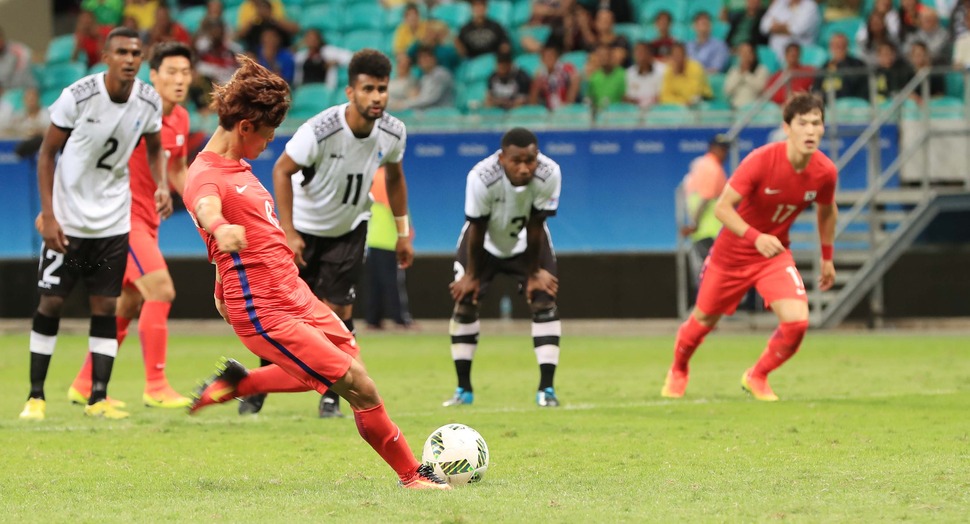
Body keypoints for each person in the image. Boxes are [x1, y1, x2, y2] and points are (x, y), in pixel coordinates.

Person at [182, 55, 448, 491]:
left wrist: (219, 278)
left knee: (346, 365)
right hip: (266, 309)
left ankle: (239, 383)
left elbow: (234, 237)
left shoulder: (240, 169)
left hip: (296, 294)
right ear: (245, 126)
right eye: (267, 135)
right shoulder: (205, 175)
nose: (269, 144)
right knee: (357, 384)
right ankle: (411, 475)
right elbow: (206, 207)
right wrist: (218, 227)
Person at [19, 27, 169, 421]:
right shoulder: (78, 96)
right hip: (67, 223)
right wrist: (50, 215)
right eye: (121, 51)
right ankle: (35, 396)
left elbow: (155, 148)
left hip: (112, 223)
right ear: (106, 56)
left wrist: (163, 185)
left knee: (105, 306)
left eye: (136, 52)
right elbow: (48, 154)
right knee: (51, 303)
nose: (130, 59)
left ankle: (98, 399)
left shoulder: (148, 101)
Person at [661, 92, 838, 402]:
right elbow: (722, 208)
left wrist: (827, 257)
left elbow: (827, 210)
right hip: (732, 255)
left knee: (797, 321)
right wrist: (756, 236)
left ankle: (757, 375)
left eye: (817, 123)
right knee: (703, 322)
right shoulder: (761, 160)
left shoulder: (825, 172)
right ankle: (678, 370)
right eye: (803, 123)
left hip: (774, 255)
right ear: (787, 127)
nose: (810, 130)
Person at [267, 48, 414, 418]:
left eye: (382, 88)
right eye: (368, 89)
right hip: (303, 228)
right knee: (283, 314)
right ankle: (260, 383)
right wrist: (288, 230)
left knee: (338, 311)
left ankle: (332, 394)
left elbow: (394, 178)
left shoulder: (393, 132)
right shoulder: (320, 130)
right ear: (350, 92)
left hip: (349, 228)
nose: (377, 96)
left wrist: (403, 232)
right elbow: (281, 171)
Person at [65, 41, 194, 410]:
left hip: (149, 221)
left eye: (185, 72)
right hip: (121, 220)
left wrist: (199, 206)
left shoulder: (181, 119)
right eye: (171, 72)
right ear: (153, 76)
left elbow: (177, 169)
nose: (180, 79)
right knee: (161, 289)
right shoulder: (132, 112)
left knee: (128, 302)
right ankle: (156, 385)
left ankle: (84, 382)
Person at [444, 127, 563, 408]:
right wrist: (471, 275)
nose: (524, 168)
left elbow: (536, 224)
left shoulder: (550, 173)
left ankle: (546, 390)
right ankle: (464, 390)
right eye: (516, 161)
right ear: (501, 159)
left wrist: (534, 272)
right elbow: (477, 226)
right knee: (465, 304)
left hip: (528, 243)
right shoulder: (481, 177)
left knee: (545, 300)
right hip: (481, 242)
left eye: (530, 160)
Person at [364, 166, 415, 330]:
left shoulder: (371, 177)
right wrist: (407, 235)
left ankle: (373, 320)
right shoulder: (388, 176)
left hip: (373, 240)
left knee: (376, 283)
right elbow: (399, 208)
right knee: (393, 282)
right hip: (390, 241)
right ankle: (401, 319)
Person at [680, 136, 729, 301]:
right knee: (709, 273)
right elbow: (705, 198)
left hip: (706, 231)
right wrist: (694, 224)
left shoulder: (700, 164)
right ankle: (707, 310)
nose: (725, 153)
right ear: (713, 148)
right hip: (709, 231)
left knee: (706, 272)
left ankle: (709, 309)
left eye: (726, 149)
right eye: (722, 149)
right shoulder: (712, 168)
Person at [814, 33, 869, 101]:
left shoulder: (858, 64)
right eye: (836, 45)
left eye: (842, 45)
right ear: (830, 47)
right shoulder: (824, 66)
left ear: (847, 46)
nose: (839, 48)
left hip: (851, 104)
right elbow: (816, 89)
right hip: (828, 105)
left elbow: (855, 88)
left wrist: (841, 64)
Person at [724, 42, 769, 108]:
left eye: (748, 53)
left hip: (754, 109)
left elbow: (760, 88)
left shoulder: (761, 70)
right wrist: (740, 74)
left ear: (754, 55)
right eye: (742, 53)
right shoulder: (734, 70)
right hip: (735, 108)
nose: (745, 56)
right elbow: (727, 91)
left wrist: (746, 74)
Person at [624, 41, 665, 109]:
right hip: (635, 112)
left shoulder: (662, 70)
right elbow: (629, 97)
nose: (639, 55)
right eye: (637, 52)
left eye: (642, 52)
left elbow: (662, 97)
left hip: (657, 111)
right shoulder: (629, 73)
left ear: (650, 54)